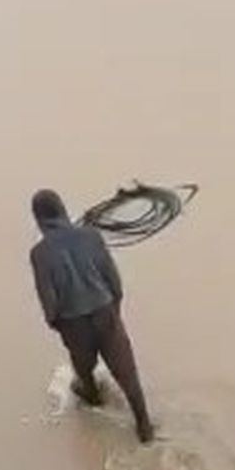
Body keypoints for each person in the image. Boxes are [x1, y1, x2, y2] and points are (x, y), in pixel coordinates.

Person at [30, 189, 154, 443]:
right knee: (127, 373)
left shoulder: (39, 253)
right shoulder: (91, 236)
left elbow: (47, 296)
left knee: (84, 371)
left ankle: (93, 398)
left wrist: (56, 323)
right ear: (63, 210)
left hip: (73, 322)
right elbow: (114, 281)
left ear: (38, 219)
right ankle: (144, 426)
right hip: (104, 310)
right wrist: (113, 311)